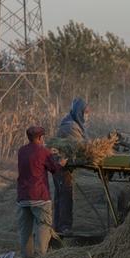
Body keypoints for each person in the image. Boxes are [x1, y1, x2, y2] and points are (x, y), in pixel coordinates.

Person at [17, 126, 67, 258]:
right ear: (40, 138)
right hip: (39, 196)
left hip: (23, 197)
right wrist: (61, 163)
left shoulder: (21, 151)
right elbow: (54, 168)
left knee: (25, 230)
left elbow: (34, 162)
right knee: (43, 226)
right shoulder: (43, 152)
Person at [53, 98, 89, 234]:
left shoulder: (74, 123)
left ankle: (58, 227)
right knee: (65, 196)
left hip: (63, 165)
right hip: (62, 166)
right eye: (85, 112)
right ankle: (64, 228)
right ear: (79, 112)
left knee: (61, 196)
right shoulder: (70, 126)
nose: (87, 115)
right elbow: (79, 147)